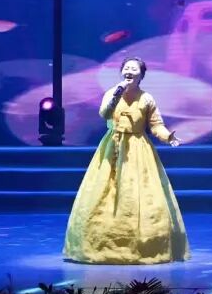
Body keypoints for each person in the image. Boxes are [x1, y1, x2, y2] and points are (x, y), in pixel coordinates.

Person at [64, 57, 189, 264]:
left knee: (139, 193)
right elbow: (104, 113)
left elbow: (155, 124)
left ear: (141, 75)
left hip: (137, 148)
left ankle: (143, 245)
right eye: (126, 68)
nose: (129, 71)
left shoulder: (146, 98)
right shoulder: (112, 92)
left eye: (134, 69)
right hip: (112, 146)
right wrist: (117, 94)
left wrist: (168, 137)